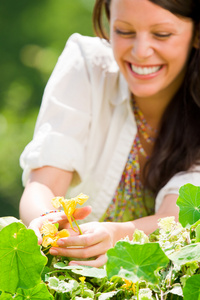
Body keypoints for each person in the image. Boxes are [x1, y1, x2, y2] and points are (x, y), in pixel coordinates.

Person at [19, 0, 200, 267]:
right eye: (124, 31)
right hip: (70, 275)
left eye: (161, 34)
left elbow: (179, 216)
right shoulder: (88, 66)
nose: (140, 52)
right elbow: (44, 183)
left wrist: (120, 235)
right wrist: (47, 221)